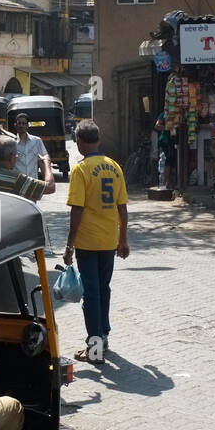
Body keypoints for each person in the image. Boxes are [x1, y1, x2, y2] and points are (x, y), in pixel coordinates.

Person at [64, 120, 129, 364]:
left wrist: (69, 245)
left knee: (90, 293)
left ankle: (94, 349)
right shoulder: (114, 167)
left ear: (79, 143)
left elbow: (77, 210)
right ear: (98, 140)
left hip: (87, 242)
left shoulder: (80, 170)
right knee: (103, 288)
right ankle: (103, 335)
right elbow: (122, 207)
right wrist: (123, 239)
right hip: (109, 240)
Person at [0, 134, 54, 201]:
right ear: (10, 157)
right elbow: (50, 187)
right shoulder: (17, 180)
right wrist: (47, 164)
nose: (16, 157)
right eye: (15, 154)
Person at [10, 113, 54, 187]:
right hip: (17, 185)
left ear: (27, 126)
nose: (21, 125)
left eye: (24, 123)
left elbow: (43, 160)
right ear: (15, 125)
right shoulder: (11, 143)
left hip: (32, 185)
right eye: (19, 123)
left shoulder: (37, 141)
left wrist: (46, 180)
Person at [152, 111, 175, 189]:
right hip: (165, 140)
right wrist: (167, 128)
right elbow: (157, 126)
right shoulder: (163, 114)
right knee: (168, 159)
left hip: (175, 140)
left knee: (172, 160)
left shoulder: (178, 113)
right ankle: (166, 182)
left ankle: (170, 182)